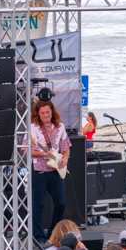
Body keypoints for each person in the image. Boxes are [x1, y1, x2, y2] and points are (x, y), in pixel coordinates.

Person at [30, 99, 70, 241]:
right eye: (42, 112)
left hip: (55, 170)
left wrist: (65, 159)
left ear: (52, 112)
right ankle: (38, 236)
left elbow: (66, 148)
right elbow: (26, 150)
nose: (45, 115)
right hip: (39, 170)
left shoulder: (60, 127)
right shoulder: (32, 128)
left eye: (47, 112)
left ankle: (52, 233)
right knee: (38, 204)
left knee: (61, 203)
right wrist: (43, 154)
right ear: (38, 114)